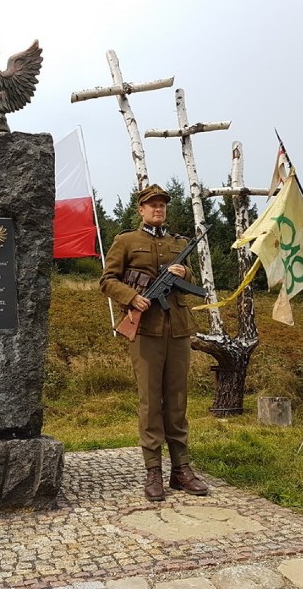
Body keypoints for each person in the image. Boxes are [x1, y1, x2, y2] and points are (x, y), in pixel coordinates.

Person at [100, 184, 208, 501]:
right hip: (145, 330)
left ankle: (181, 470)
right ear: (141, 209)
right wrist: (132, 297)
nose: (158, 209)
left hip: (177, 330)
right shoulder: (126, 241)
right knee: (150, 402)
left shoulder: (180, 243)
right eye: (152, 205)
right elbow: (107, 280)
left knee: (177, 401)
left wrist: (183, 272)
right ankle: (153, 472)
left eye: (162, 205)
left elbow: (193, 284)